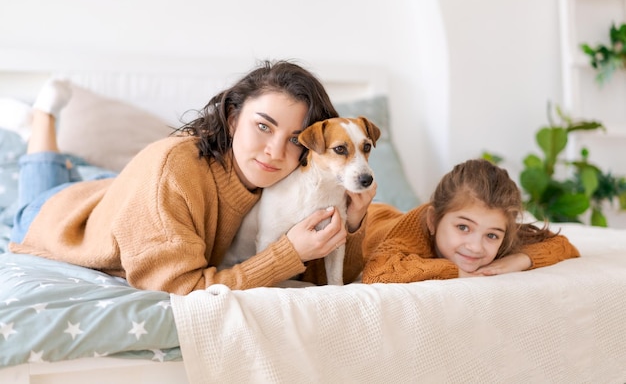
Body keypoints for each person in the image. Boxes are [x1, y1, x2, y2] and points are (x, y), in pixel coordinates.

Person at [8, 60, 376, 294]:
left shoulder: (298, 177)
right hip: (68, 216)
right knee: (43, 196)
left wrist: (353, 221)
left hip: (123, 192)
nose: (275, 152)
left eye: (295, 139)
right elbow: (180, 287)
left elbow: (318, 275)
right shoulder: (172, 173)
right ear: (232, 119)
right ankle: (42, 119)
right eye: (263, 126)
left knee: (106, 180)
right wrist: (284, 254)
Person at [361, 159, 580, 284]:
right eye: (463, 227)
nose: (476, 247)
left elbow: (562, 245)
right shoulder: (408, 237)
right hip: (374, 217)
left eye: (492, 235)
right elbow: (378, 272)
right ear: (433, 220)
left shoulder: (496, 226)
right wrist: (456, 271)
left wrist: (519, 260)